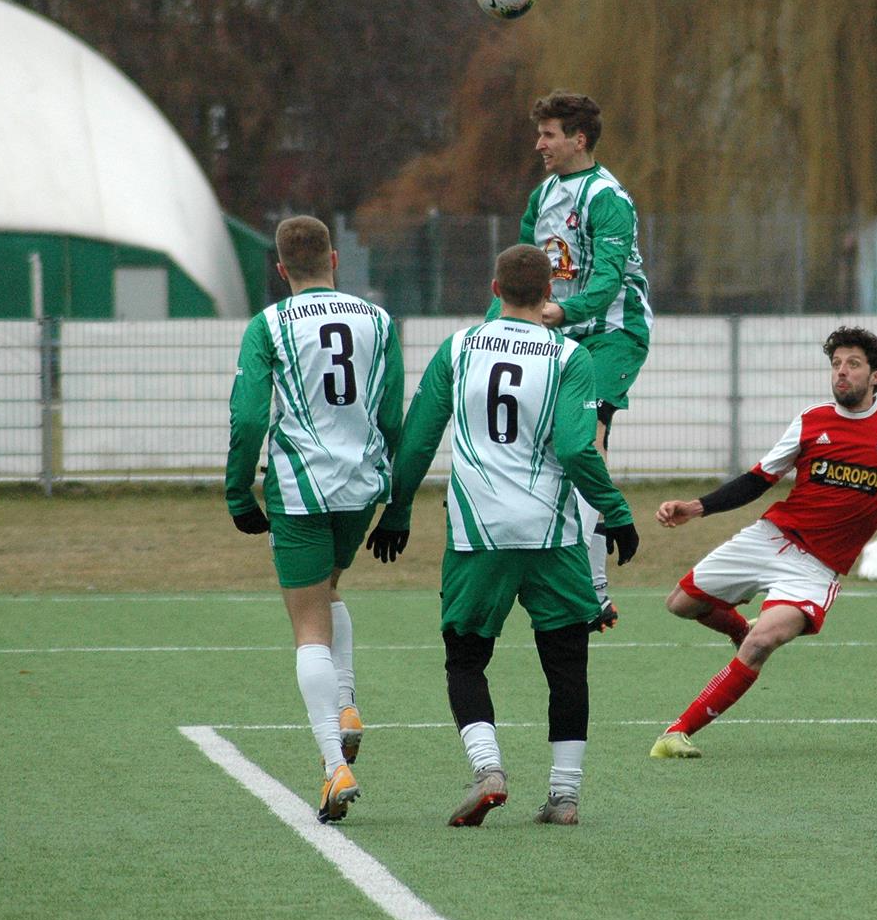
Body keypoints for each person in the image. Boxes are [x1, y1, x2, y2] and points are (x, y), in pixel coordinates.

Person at [648, 326, 877, 759]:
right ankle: (739, 628)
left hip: (814, 568)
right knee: (680, 604)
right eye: (836, 364)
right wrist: (695, 507)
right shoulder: (810, 421)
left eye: (852, 364)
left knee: (763, 643)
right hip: (770, 538)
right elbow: (757, 480)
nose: (841, 372)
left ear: (875, 376)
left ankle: (678, 732)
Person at [375, 245, 640, 827]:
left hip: (479, 534)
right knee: (567, 663)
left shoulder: (460, 348)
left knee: (465, 660)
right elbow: (575, 447)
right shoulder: (570, 355)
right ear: (553, 293)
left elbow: (419, 437)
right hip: (553, 534)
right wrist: (614, 509)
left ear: (495, 287)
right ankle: (565, 797)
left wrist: (397, 510)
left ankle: (489, 771)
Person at [225, 215, 402, 824]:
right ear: (334, 258)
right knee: (329, 591)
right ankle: (347, 702)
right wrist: (397, 500)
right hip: (363, 487)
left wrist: (236, 490)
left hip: (301, 489)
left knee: (307, 628)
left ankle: (334, 767)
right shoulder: (377, 321)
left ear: (280, 270)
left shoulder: (269, 324)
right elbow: (393, 413)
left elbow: (249, 418)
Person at [489, 90, 652, 632]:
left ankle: (593, 589)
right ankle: (560, 568)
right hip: (558, 332)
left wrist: (561, 312)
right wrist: (495, 325)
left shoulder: (608, 198)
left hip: (611, 334)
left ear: (578, 139)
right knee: (553, 446)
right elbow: (519, 275)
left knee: (587, 444)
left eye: (549, 134)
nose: (539, 144)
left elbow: (606, 282)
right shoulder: (542, 197)